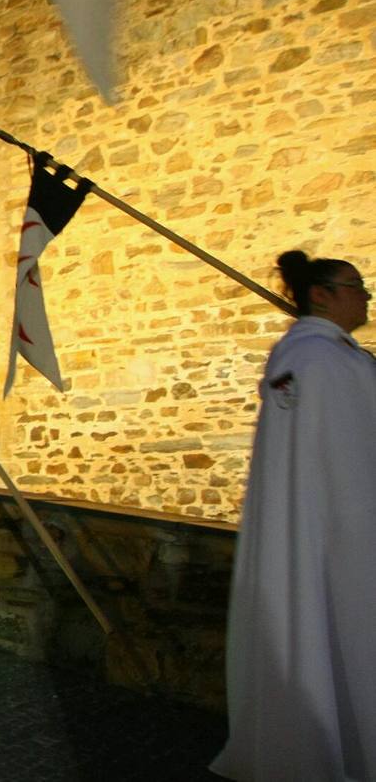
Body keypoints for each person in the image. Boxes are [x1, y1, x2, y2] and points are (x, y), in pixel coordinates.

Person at [211, 251, 376, 781]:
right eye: (355, 286)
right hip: (344, 527)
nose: (365, 297)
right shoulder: (318, 360)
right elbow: (347, 455)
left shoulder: (327, 356)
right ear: (321, 295)